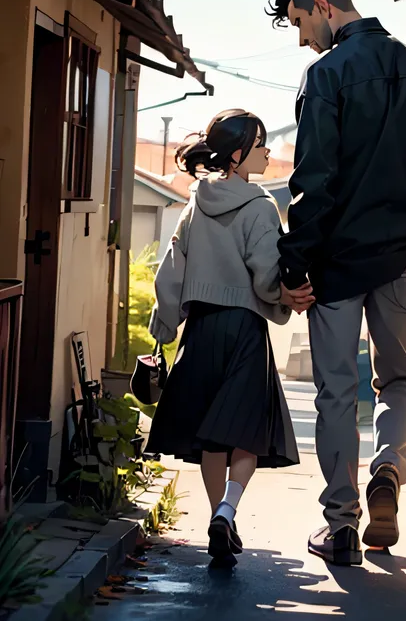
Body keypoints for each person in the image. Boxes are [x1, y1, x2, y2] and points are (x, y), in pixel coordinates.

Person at [266, 0, 406, 566]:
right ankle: (388, 471)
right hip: (401, 260)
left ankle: (343, 524)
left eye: (302, 23)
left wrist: (295, 266)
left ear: (324, 6)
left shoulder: (325, 76)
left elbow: (313, 183)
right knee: (400, 381)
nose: (304, 39)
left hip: (334, 266)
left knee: (335, 392)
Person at [145, 109, 306, 566]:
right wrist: (285, 297)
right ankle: (228, 511)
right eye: (259, 145)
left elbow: (171, 270)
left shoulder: (196, 203)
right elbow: (265, 277)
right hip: (243, 330)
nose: (267, 151)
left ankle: (219, 515)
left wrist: (164, 327)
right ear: (237, 155)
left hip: (200, 330)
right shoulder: (259, 206)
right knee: (247, 434)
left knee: (210, 439)